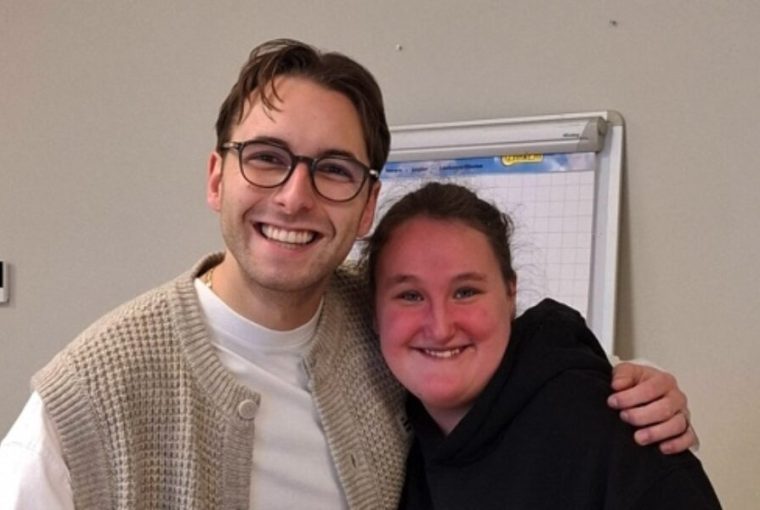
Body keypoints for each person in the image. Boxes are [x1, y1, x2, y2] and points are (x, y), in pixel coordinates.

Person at [0, 39, 696, 510]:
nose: (294, 197)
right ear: (217, 177)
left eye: (333, 169)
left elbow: (522, 357)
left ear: (366, 205)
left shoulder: (386, 323)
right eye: (266, 157)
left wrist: (633, 381)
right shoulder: (89, 394)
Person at [364, 181, 721, 509]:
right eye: (410, 296)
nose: (440, 328)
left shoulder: (613, 432)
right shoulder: (392, 451)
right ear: (374, 312)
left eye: (466, 292)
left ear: (510, 294)